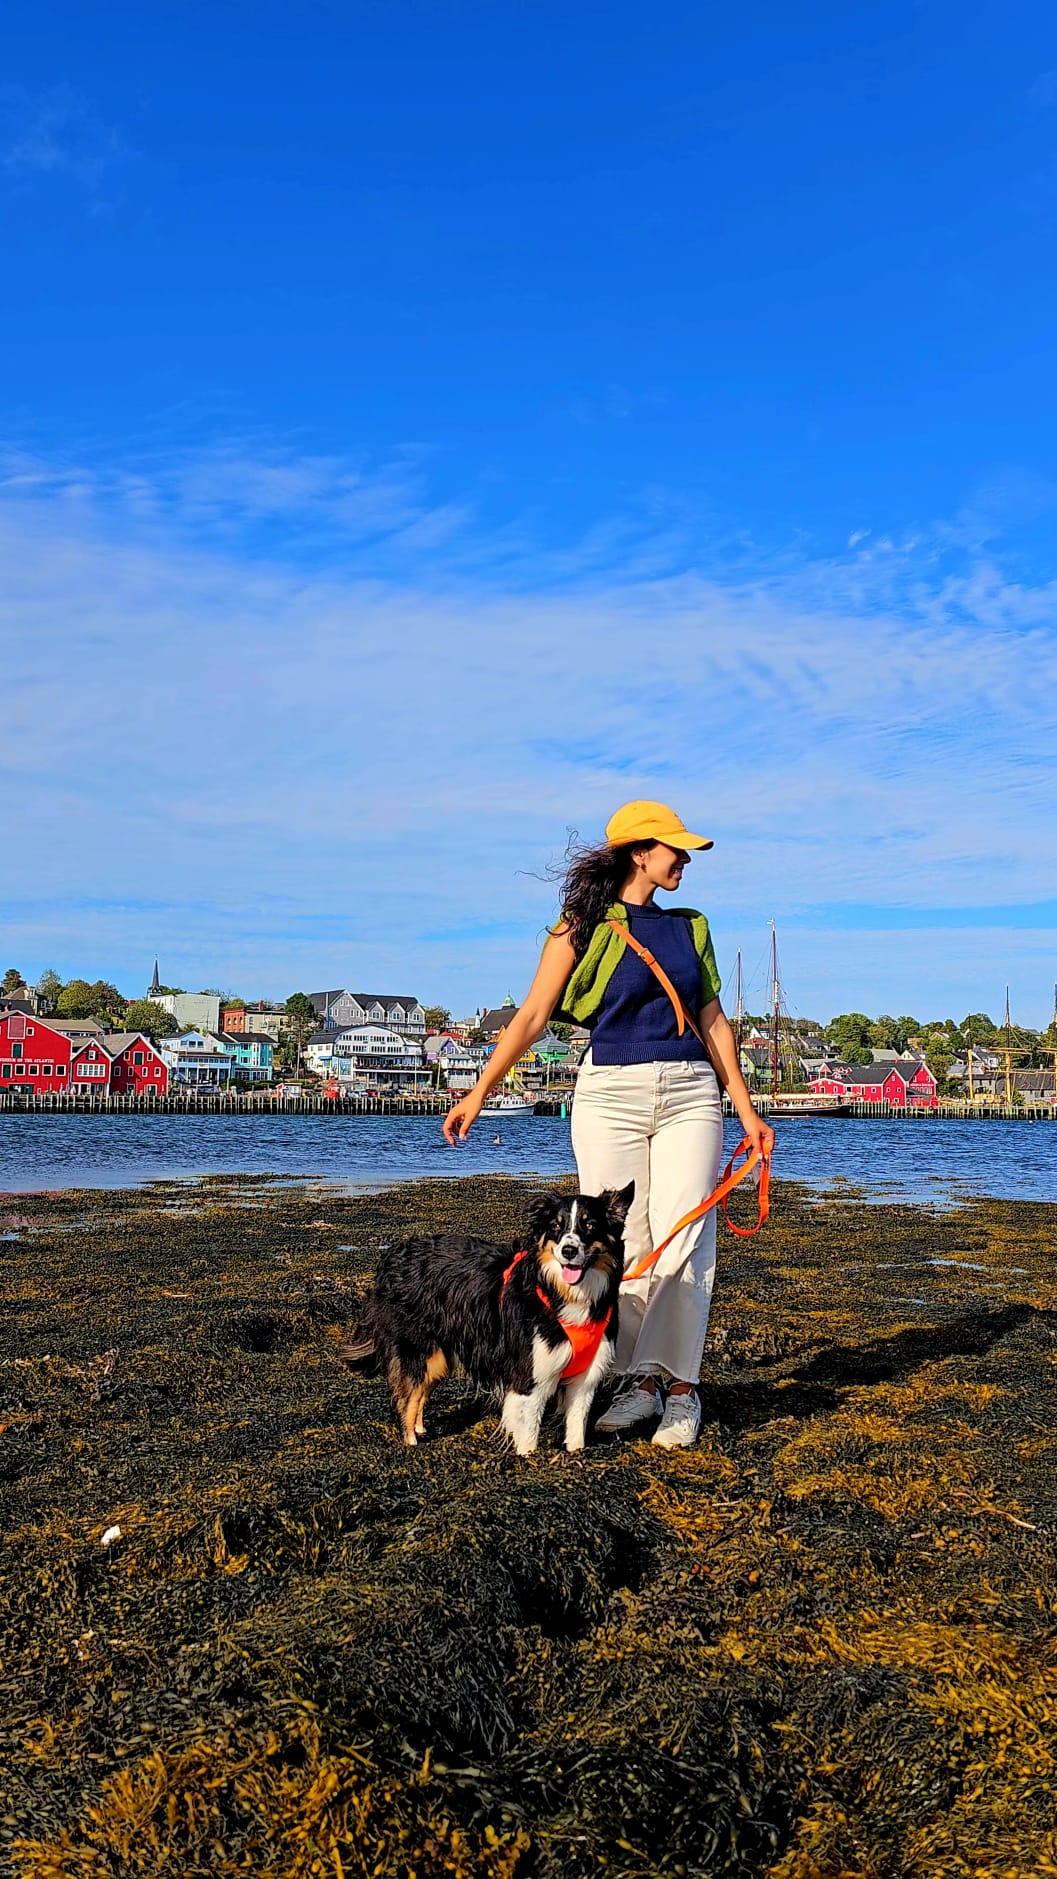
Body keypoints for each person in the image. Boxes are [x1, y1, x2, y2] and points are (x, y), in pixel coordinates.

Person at [442, 800, 775, 1448]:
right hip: (609, 1093)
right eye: (673, 847)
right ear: (637, 851)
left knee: (686, 1235)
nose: (683, 858)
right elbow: (534, 1013)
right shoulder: (580, 925)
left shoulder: (690, 927)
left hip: (689, 1092)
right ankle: (632, 1380)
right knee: (626, 1242)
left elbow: (712, 1023)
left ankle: (678, 1387)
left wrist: (746, 1110)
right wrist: (479, 1090)